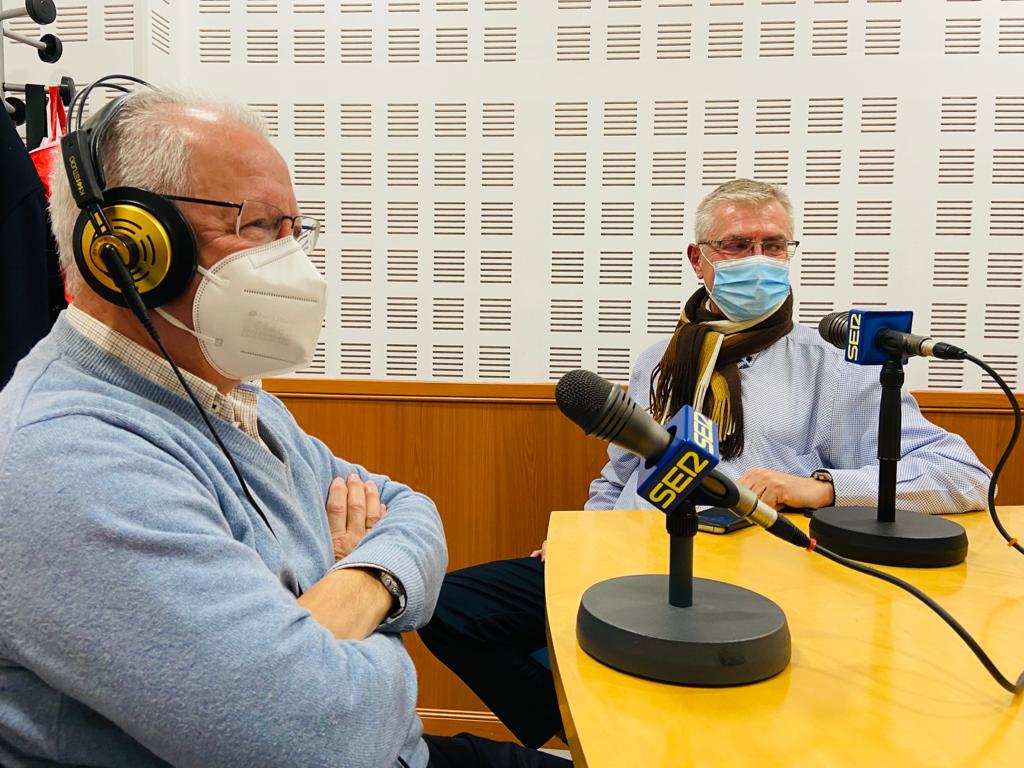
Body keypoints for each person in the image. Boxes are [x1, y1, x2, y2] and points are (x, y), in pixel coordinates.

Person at [0, 86, 569, 768]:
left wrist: (359, 583)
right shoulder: (68, 461)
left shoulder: (233, 394)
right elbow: (320, 739)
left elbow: (415, 512)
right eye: (262, 226)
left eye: (298, 230)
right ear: (128, 249)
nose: (294, 261)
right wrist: (355, 646)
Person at [419, 178, 992, 747]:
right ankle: (581, 738)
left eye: (775, 246)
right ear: (699, 259)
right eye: (738, 245)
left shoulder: (834, 368)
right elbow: (621, 473)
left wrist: (822, 487)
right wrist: (581, 538)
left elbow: (963, 475)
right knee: (447, 607)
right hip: (631, 548)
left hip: (751, 570)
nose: (760, 260)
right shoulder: (660, 360)